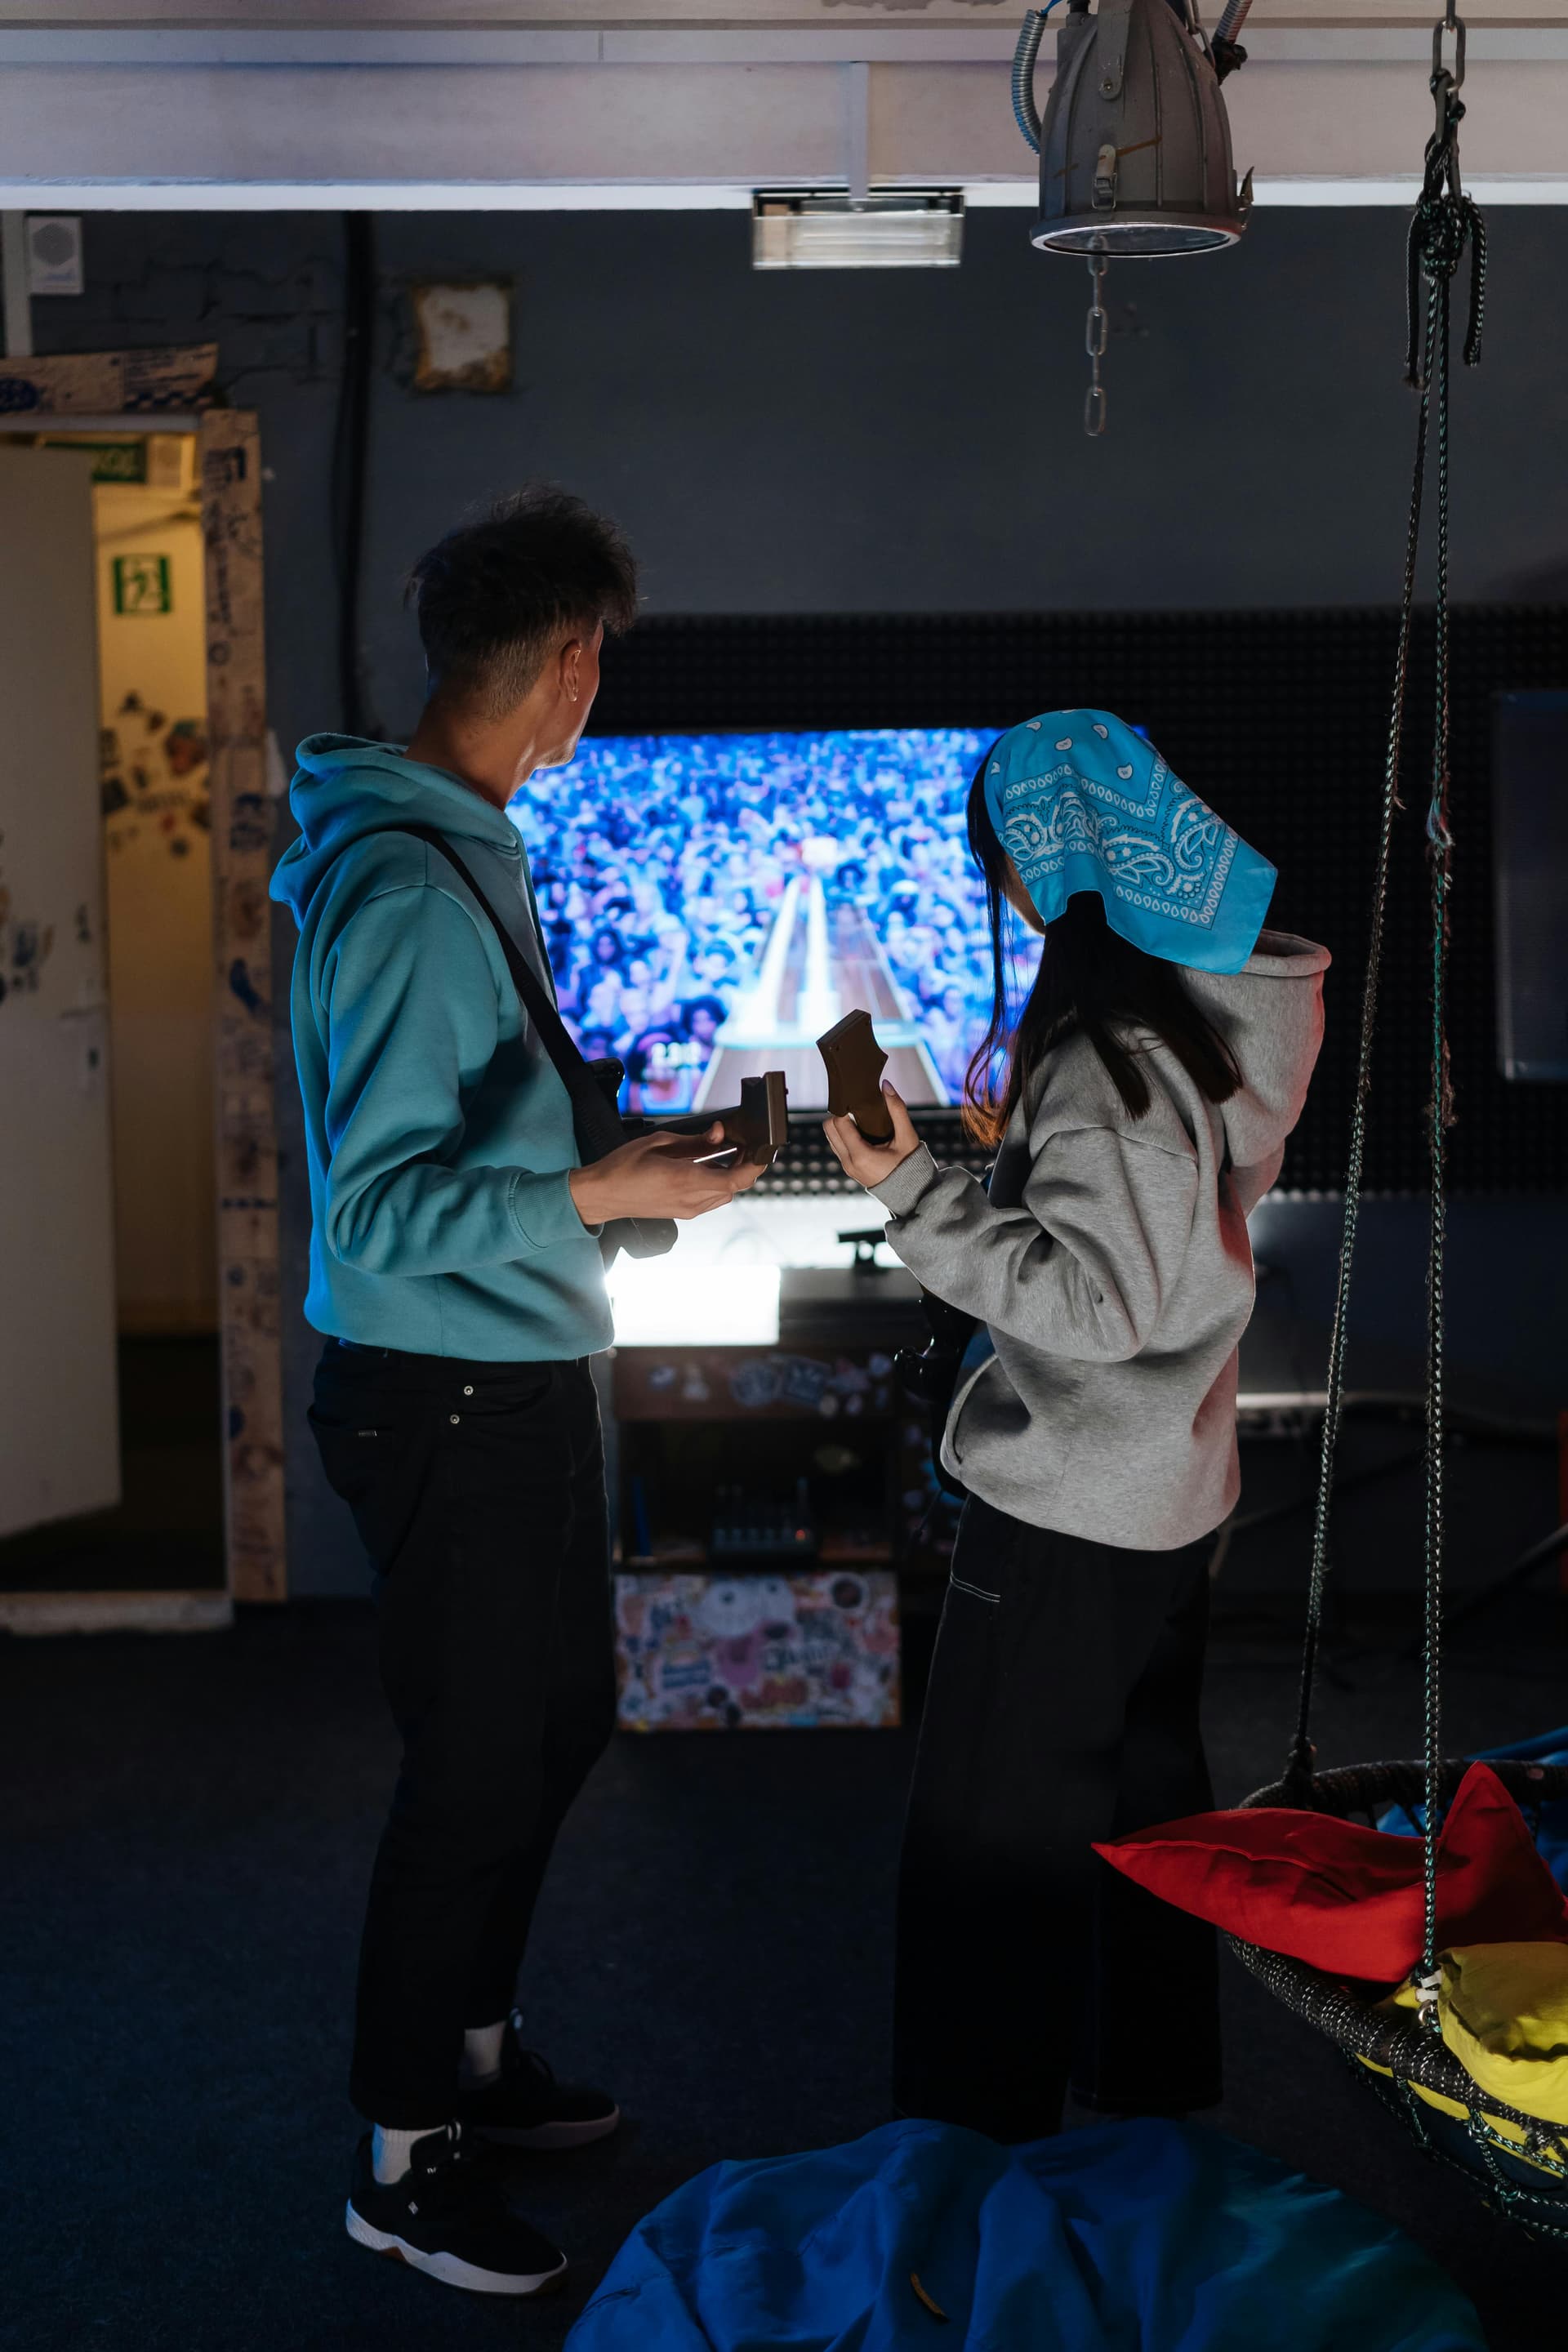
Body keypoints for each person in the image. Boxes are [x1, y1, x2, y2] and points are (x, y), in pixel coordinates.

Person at [270, 487, 762, 2297]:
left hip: (518, 1363)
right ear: (566, 668)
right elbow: (383, 1203)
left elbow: (476, 1130)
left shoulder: (450, 834)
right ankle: (400, 2165)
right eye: (600, 670)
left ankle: (473, 2062)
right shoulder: (405, 878)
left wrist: (613, 1159)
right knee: (470, 1776)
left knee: (550, 1736)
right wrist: (596, 1191)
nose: (596, 700)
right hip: (444, 1390)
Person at [824, 709, 1329, 2143]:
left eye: (1007, 864)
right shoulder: (1194, 1019)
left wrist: (913, 1189)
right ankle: (1148, 2099)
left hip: (1069, 1506)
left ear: (1060, 865)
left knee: (991, 1839)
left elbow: (1097, 1309)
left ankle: (968, 2156)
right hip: (1167, 1493)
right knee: (1142, 1802)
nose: (1006, 895)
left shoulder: (1108, 1063)